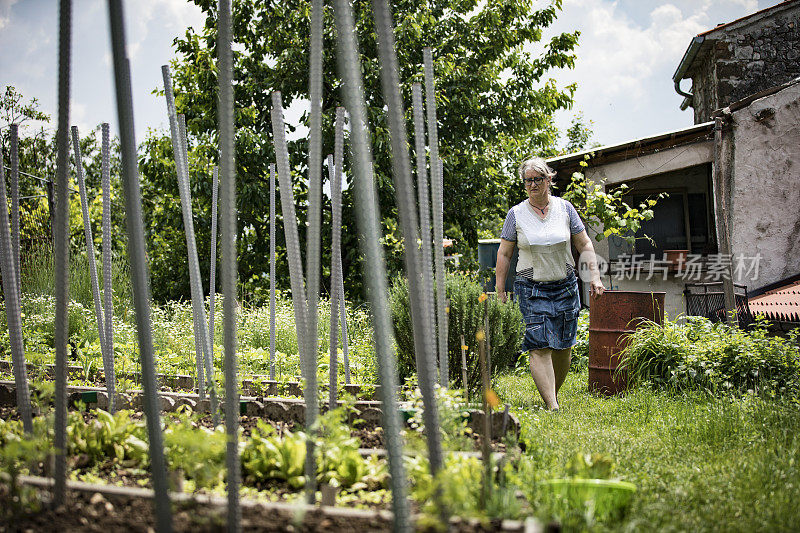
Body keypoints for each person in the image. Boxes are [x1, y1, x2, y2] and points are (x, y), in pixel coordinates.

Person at [496, 156, 604, 411]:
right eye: (528, 180)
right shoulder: (516, 214)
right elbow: (504, 254)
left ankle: (551, 394)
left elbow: (584, 243)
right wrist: (500, 290)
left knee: (563, 345)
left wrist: (594, 276)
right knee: (539, 344)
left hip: (565, 284)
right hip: (530, 286)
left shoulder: (566, 209)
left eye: (538, 179)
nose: (533, 184)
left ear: (549, 180)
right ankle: (552, 405)